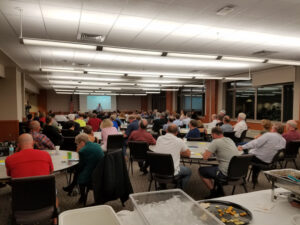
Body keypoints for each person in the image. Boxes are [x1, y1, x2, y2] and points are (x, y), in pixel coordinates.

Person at [63, 133, 104, 203]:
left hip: (92, 175)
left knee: (79, 174)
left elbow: (80, 166)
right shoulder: (97, 145)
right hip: (101, 171)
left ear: (82, 142)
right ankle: (72, 186)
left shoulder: (83, 151)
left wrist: (79, 152)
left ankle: (82, 197)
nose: (77, 146)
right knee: (78, 172)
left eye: (77, 144)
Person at [199, 127, 239, 197]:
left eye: (211, 135)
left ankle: (213, 193)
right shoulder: (229, 139)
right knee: (214, 167)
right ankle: (220, 190)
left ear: (213, 134)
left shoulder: (215, 141)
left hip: (225, 173)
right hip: (237, 171)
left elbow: (205, 157)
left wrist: (204, 153)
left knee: (201, 170)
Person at [154, 124, 191, 190]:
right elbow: (188, 154)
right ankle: (180, 190)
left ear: (166, 130)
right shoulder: (179, 140)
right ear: (177, 132)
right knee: (189, 172)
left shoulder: (159, 138)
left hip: (157, 170)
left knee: (163, 163)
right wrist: (178, 152)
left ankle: (162, 186)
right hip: (172, 171)